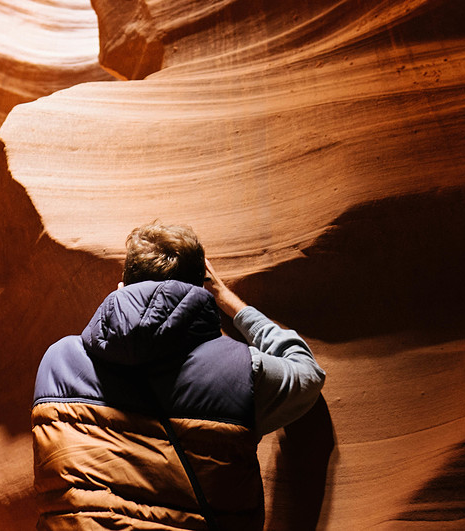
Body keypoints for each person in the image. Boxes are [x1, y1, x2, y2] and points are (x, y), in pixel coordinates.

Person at [32, 223, 325, 530]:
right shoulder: (241, 372)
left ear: (121, 288)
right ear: (202, 289)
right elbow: (308, 374)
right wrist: (229, 301)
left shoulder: (57, 361)